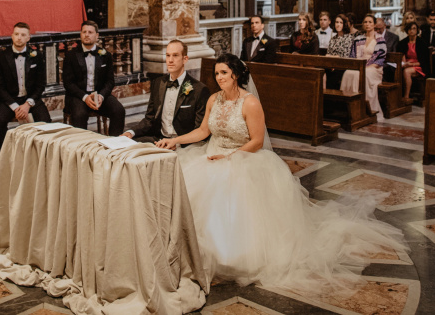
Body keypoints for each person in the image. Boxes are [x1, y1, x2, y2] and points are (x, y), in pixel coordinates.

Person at [156, 54, 405, 290]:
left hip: (242, 159)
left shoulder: (250, 103)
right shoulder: (214, 99)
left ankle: (230, 257)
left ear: (235, 75)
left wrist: (230, 157)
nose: (219, 77)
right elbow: (203, 132)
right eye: (217, 73)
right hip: (211, 155)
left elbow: (256, 141)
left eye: (224, 73)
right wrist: (176, 141)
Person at [124, 39, 210, 143]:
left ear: (185, 59)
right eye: (168, 55)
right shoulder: (158, 83)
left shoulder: (199, 89)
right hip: (159, 139)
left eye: (175, 55)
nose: (170, 60)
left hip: (184, 144)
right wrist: (131, 132)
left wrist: (176, 142)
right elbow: (149, 119)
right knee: (125, 148)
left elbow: (200, 130)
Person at [0, 22, 51, 155]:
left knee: (46, 122)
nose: (19, 38)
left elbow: (40, 85)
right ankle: (8, 151)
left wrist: (28, 104)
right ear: (12, 36)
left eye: (23, 35)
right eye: (16, 34)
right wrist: (15, 106)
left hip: (30, 99)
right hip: (8, 100)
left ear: (28, 38)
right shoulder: (1, 58)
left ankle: (38, 153)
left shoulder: (37, 56)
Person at [62, 21, 126, 135]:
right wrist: (85, 97)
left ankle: (114, 145)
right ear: (80, 34)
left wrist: (101, 96)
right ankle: (81, 149)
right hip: (79, 96)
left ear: (97, 36)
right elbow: (68, 83)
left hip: (99, 95)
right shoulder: (71, 55)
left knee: (118, 110)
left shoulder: (105, 55)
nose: (86, 35)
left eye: (90, 32)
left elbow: (110, 81)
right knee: (79, 114)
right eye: (84, 32)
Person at [351, 14, 388, 121]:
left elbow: (380, 59)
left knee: (364, 74)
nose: (367, 24)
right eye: (365, 22)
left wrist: (365, 67)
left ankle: (367, 109)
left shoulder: (380, 39)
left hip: (374, 68)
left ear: (374, 24)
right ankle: (352, 107)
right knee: (349, 73)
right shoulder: (358, 38)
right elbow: (352, 55)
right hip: (359, 66)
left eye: (370, 22)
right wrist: (357, 66)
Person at [396, 21, 429, 104]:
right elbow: (402, 57)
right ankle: (397, 96)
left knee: (406, 72)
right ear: (407, 30)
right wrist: (405, 64)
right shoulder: (403, 43)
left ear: (417, 30)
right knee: (397, 70)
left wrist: (411, 64)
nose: (412, 31)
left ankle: (406, 96)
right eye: (410, 29)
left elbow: (424, 61)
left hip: (420, 66)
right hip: (407, 65)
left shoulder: (422, 43)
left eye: (414, 29)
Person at [324, 14, 354, 89]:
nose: (338, 24)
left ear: (344, 24)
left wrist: (334, 60)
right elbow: (328, 54)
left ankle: (332, 99)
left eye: (341, 22)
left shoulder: (349, 38)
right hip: (330, 66)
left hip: (342, 66)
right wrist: (331, 64)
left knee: (333, 78)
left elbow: (345, 56)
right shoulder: (333, 39)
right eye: (337, 22)